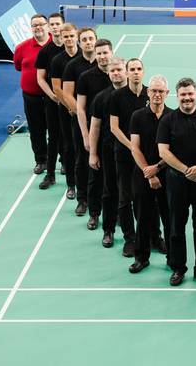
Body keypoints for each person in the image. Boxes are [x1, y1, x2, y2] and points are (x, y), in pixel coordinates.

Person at [157, 77, 196, 287]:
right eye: (183, 94)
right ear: (177, 96)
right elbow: (163, 152)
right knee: (176, 227)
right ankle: (178, 268)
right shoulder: (168, 120)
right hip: (177, 182)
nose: (187, 98)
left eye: (190, 94)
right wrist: (185, 170)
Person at [109, 58, 161, 258]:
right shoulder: (116, 96)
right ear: (127, 73)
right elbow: (114, 127)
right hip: (124, 154)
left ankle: (154, 237)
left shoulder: (151, 93)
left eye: (139, 69)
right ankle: (130, 240)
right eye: (132, 69)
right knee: (125, 198)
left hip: (147, 157)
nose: (136, 72)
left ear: (143, 72)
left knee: (151, 198)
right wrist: (132, 147)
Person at [128, 76, 172, 274]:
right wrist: (149, 173)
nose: (157, 94)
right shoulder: (137, 116)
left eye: (161, 91)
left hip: (167, 174)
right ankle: (141, 258)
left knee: (169, 218)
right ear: (148, 92)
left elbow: (175, 149)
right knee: (142, 217)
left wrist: (158, 168)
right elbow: (135, 148)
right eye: (154, 90)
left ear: (167, 94)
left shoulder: (173, 116)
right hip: (143, 174)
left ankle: (173, 258)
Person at [88, 55, 127, 248]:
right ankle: (108, 231)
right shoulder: (101, 98)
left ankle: (139, 233)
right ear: (108, 74)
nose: (116, 73)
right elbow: (95, 126)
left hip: (133, 153)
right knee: (109, 191)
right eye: (112, 71)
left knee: (133, 192)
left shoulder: (138, 95)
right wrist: (93, 153)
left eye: (119, 69)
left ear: (126, 71)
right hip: (109, 150)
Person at [76, 38, 114, 230]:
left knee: (115, 178)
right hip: (95, 133)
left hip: (115, 137)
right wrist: (86, 136)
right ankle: (94, 214)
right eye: (99, 53)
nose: (102, 56)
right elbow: (80, 109)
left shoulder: (118, 75)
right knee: (95, 176)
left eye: (105, 52)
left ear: (112, 53)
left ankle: (115, 214)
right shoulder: (86, 77)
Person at [61, 27, 97, 217]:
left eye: (91, 38)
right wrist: (83, 116)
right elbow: (67, 94)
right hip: (81, 121)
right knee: (81, 160)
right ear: (79, 43)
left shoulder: (105, 64)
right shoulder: (72, 66)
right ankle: (83, 199)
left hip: (104, 123)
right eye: (84, 39)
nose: (88, 42)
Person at [13, 14, 51, 176]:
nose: (38, 28)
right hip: (31, 98)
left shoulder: (57, 45)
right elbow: (18, 67)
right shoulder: (21, 47)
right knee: (36, 131)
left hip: (53, 98)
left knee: (58, 131)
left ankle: (64, 161)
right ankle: (41, 161)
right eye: (35, 25)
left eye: (41, 24)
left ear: (48, 26)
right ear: (31, 28)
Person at [48, 23, 80, 199]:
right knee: (69, 146)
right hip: (66, 110)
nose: (69, 39)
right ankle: (71, 185)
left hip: (84, 110)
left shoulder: (85, 56)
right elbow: (56, 88)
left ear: (76, 37)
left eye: (71, 36)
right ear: (61, 38)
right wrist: (70, 107)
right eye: (65, 36)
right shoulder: (57, 60)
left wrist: (79, 109)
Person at [34, 13, 66, 190]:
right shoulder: (44, 51)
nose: (54, 27)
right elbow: (40, 78)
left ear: (63, 25)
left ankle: (70, 169)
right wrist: (54, 97)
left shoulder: (72, 49)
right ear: (48, 27)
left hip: (70, 102)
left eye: (57, 24)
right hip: (52, 100)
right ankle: (50, 175)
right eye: (52, 24)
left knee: (71, 137)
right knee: (53, 137)